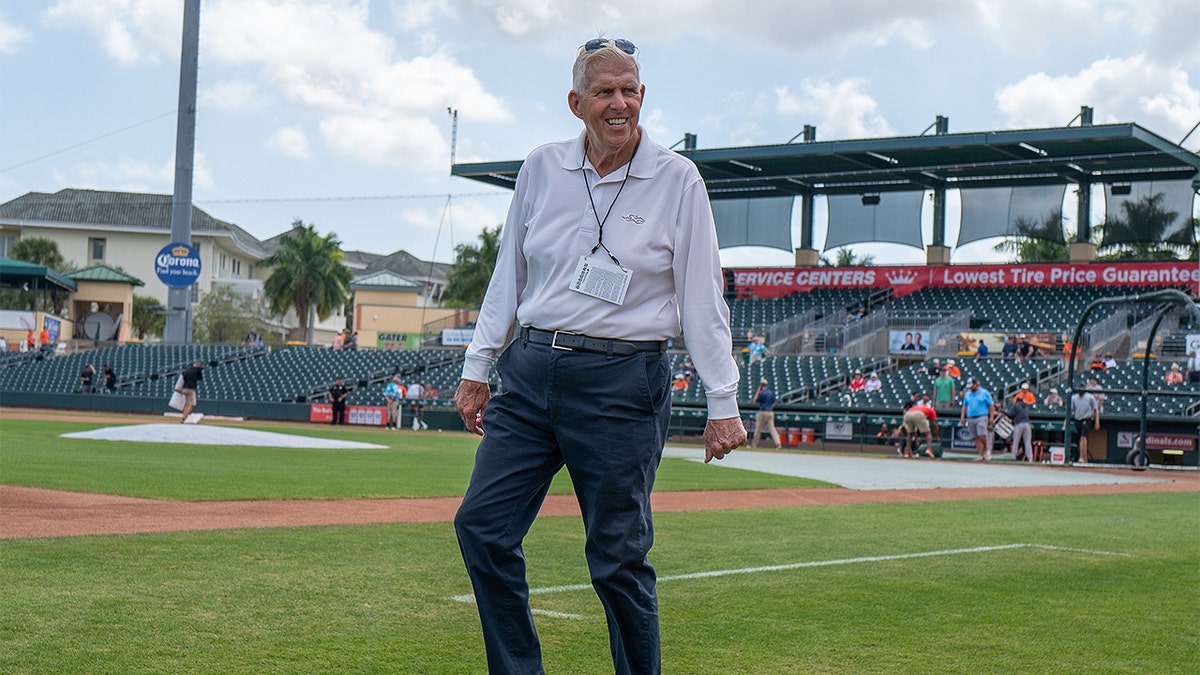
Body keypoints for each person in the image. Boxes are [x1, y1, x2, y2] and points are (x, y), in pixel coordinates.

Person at [451, 37, 745, 675]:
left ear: (643, 96)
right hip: (530, 372)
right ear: (576, 102)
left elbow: (703, 297)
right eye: (605, 91)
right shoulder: (541, 167)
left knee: (617, 560)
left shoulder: (678, 179)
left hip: (622, 381)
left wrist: (723, 400)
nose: (620, 103)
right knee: (481, 526)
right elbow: (509, 276)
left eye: (629, 90)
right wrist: (478, 367)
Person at [959, 377, 995, 461]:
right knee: (976, 437)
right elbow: (964, 406)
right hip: (970, 417)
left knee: (981, 435)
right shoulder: (968, 394)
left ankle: (987, 450)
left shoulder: (984, 393)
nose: (971, 388)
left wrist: (991, 417)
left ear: (976, 384)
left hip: (981, 416)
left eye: (972, 386)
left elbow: (991, 405)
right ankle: (981, 455)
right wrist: (962, 417)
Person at [1070, 386, 1100, 463]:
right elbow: (1070, 410)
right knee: (1080, 438)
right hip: (1078, 419)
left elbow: (1096, 410)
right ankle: (1084, 458)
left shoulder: (1090, 397)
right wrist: (1066, 421)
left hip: (1087, 419)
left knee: (1083, 437)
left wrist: (1097, 422)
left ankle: (1082, 457)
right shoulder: (1074, 397)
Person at [751, 378, 781, 449]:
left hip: (763, 412)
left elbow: (755, 401)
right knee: (772, 429)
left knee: (758, 429)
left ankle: (754, 445)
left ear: (761, 386)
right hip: (770, 412)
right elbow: (773, 404)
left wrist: (758, 391)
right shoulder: (770, 393)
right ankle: (778, 444)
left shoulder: (762, 393)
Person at [1007, 396, 1033, 461]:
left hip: (1019, 424)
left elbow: (1012, 414)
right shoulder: (1026, 406)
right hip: (1027, 424)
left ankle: (1013, 456)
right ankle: (1030, 458)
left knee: (1016, 441)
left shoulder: (1016, 405)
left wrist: (1012, 420)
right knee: (1027, 442)